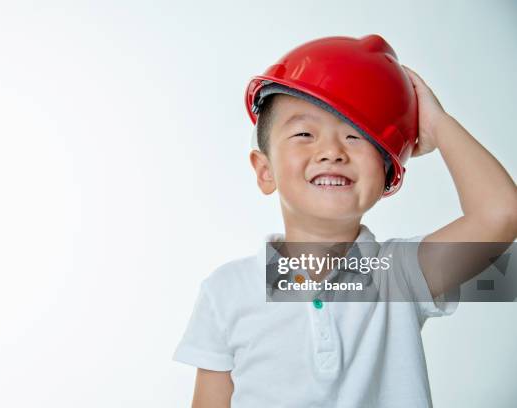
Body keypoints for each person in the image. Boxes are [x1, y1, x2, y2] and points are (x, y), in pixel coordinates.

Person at [172, 34, 517, 407]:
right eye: (305, 133)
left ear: (387, 173)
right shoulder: (226, 291)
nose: (332, 152)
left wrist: (436, 123)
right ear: (264, 170)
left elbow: (500, 214)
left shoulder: (400, 275)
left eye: (355, 135)